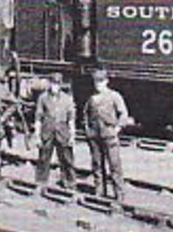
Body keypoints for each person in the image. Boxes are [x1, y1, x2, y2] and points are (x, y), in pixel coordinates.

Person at [85, 68, 132, 201]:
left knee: (114, 165)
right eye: (96, 82)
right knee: (97, 164)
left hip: (109, 134)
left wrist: (117, 128)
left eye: (100, 81)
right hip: (95, 135)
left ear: (106, 81)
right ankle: (99, 191)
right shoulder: (92, 98)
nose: (98, 84)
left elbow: (123, 114)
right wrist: (88, 130)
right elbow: (86, 115)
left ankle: (119, 193)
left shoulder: (114, 96)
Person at [34, 76, 78, 191]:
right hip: (47, 131)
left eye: (57, 84)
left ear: (61, 85)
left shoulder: (67, 99)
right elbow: (38, 117)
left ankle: (70, 182)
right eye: (53, 83)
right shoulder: (43, 98)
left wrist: (72, 135)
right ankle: (41, 182)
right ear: (49, 83)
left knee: (67, 158)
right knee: (43, 158)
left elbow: (71, 119)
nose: (55, 86)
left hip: (62, 131)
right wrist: (37, 135)